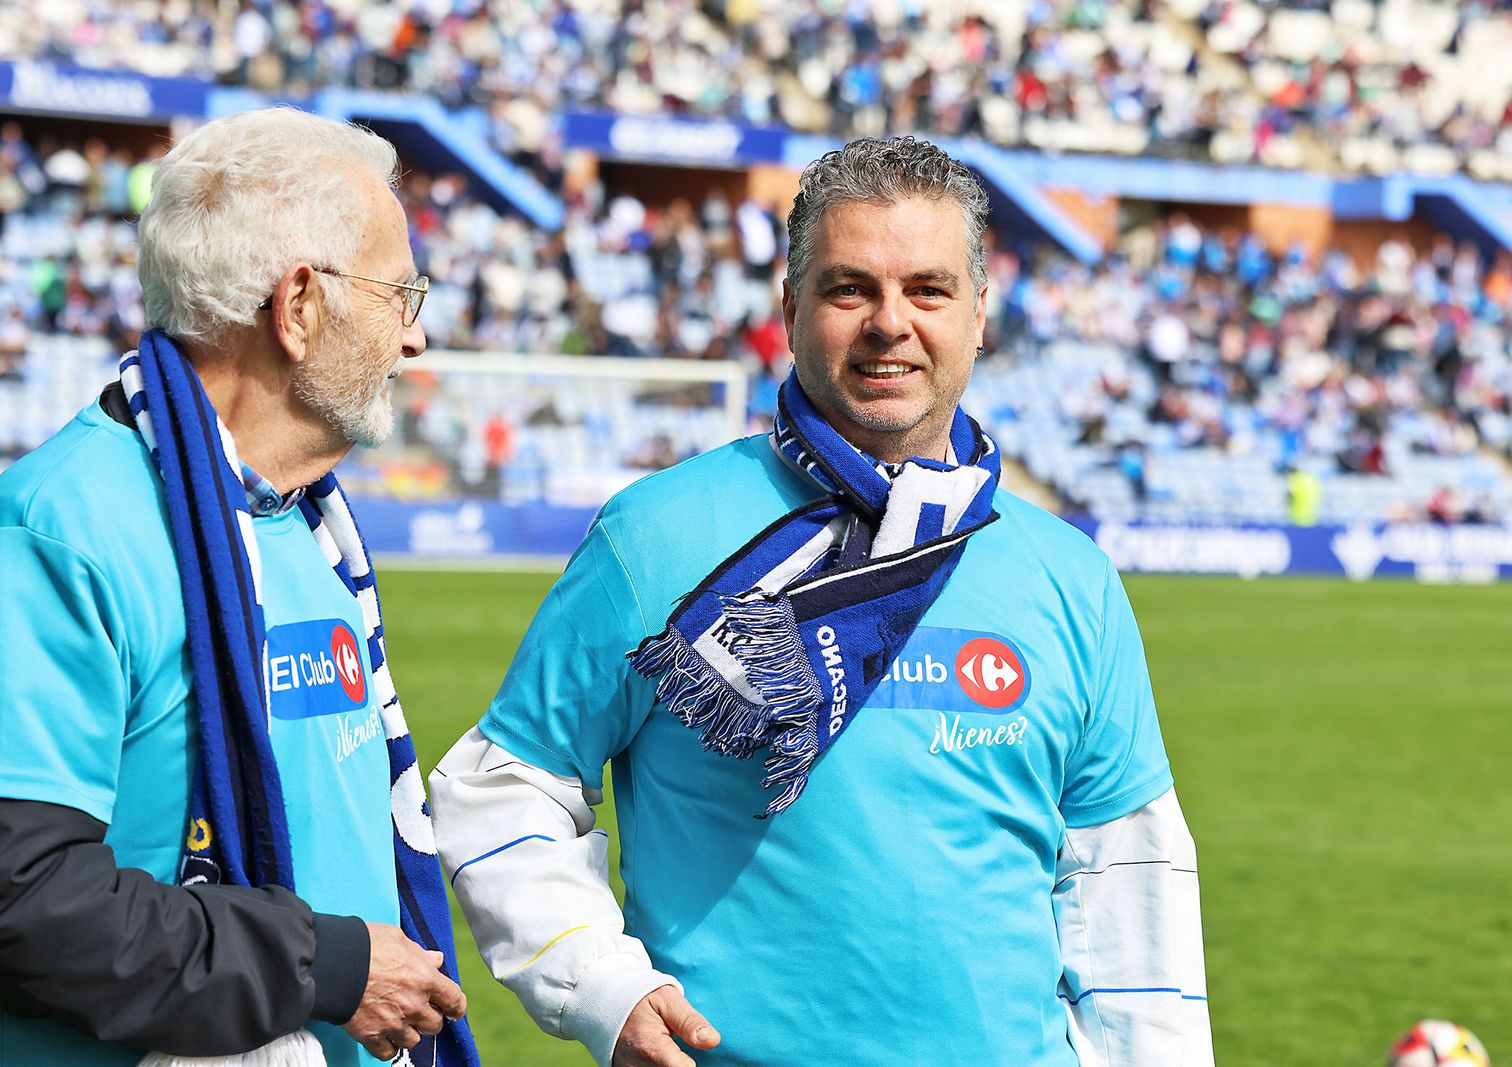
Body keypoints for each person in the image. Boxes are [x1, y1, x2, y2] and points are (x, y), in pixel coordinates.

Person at [430, 136, 1211, 1066]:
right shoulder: (655, 536)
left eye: (928, 290)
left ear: (979, 313)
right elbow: (502, 787)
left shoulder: (1069, 574)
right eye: (850, 289)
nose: (891, 322)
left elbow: (1128, 879)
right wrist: (602, 984)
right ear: (791, 309)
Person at [0, 109, 477, 1066]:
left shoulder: (307, 523)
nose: (416, 336)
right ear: (298, 305)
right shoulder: (63, 528)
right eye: (400, 293)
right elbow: (25, 898)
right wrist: (322, 966)